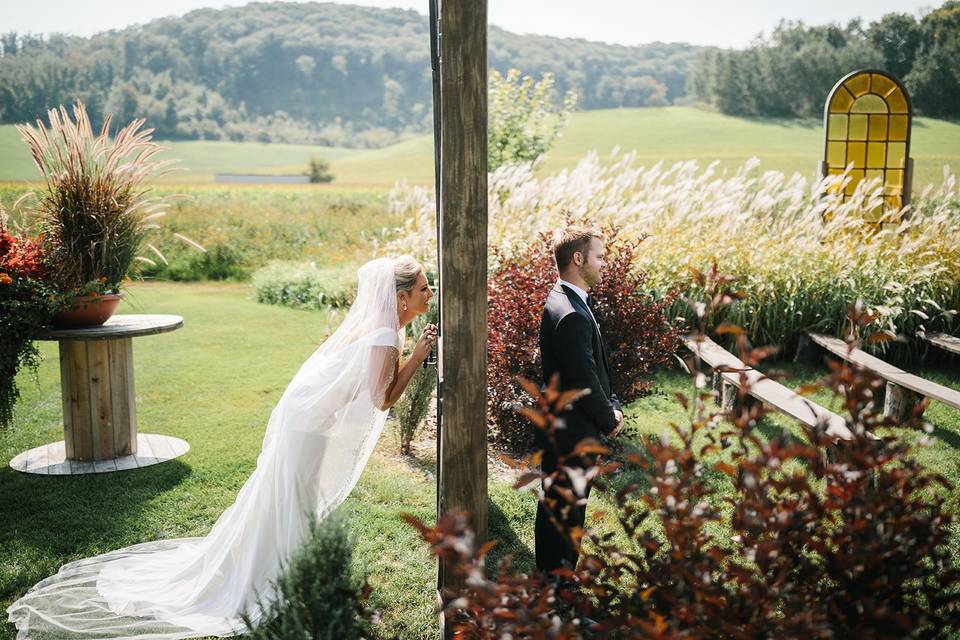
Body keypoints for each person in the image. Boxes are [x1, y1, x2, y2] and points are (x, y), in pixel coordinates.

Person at [7, 256, 437, 639]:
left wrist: (409, 351)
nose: (429, 292)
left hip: (305, 421)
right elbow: (381, 399)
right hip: (309, 427)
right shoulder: (385, 333)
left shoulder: (382, 328)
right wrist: (417, 357)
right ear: (400, 297)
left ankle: (289, 571)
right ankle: (276, 580)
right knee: (293, 500)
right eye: (422, 287)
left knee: (286, 499)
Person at [536, 225, 623, 574]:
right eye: (600, 257)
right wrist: (610, 418)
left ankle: (552, 589)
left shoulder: (568, 300)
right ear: (578, 258)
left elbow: (591, 369)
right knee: (565, 516)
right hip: (570, 434)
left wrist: (612, 399)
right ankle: (557, 596)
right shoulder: (570, 313)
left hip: (565, 429)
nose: (605, 264)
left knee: (559, 511)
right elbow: (583, 379)